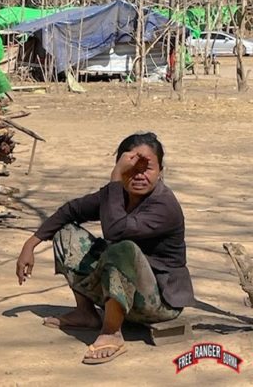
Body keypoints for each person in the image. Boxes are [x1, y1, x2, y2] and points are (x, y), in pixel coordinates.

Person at [15, 133, 193, 365]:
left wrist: (116, 177)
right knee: (66, 232)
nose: (139, 175)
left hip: (159, 303)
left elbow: (116, 232)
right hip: (123, 292)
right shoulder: (117, 193)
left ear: (160, 170)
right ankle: (85, 313)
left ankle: (111, 333)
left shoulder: (164, 205)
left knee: (122, 249)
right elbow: (71, 210)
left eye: (147, 168)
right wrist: (30, 245)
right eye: (132, 167)